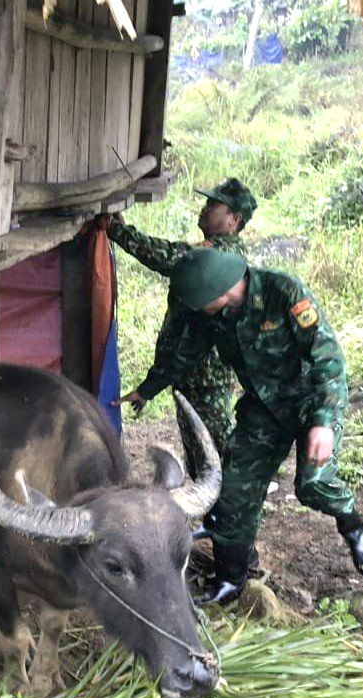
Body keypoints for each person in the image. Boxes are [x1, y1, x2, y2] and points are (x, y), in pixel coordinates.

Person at [115, 248, 363, 606]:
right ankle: (230, 577)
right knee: (234, 492)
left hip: (311, 402)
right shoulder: (212, 316)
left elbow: (327, 357)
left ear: (220, 292)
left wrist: (323, 423)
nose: (195, 311)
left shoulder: (283, 292)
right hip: (263, 409)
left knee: (313, 484)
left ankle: (354, 529)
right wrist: (146, 391)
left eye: (199, 302)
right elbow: (184, 354)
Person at [107, 178, 257, 479]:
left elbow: (170, 257)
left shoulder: (220, 256)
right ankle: (215, 514)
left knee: (213, 444)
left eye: (214, 205)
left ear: (234, 220)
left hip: (205, 373)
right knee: (197, 447)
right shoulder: (214, 250)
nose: (205, 209)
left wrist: (118, 231)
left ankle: (237, 505)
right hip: (189, 369)